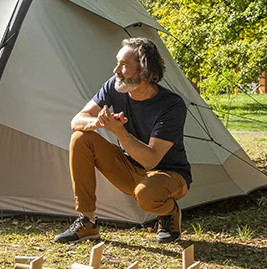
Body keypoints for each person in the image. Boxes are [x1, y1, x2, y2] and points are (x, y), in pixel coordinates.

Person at [54, 37, 191, 244]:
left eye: (124, 66)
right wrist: (99, 123)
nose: (116, 71)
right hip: (129, 169)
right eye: (117, 63)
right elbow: (77, 120)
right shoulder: (114, 87)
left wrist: (120, 132)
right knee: (81, 138)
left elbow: (151, 160)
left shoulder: (172, 105)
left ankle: (169, 213)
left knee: (146, 195)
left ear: (144, 71)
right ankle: (87, 222)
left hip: (169, 175)